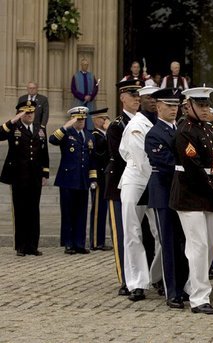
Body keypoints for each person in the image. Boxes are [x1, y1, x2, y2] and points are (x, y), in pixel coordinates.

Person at [170, 87, 213, 315]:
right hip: (189, 193)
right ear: (187, 107)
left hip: (206, 193)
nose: (206, 109)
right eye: (201, 105)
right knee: (198, 246)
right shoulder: (185, 131)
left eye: (207, 105)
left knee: (208, 243)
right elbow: (193, 169)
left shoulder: (207, 129)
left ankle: (192, 286)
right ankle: (199, 298)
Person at [145, 88, 189, 309]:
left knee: (182, 243)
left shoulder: (181, 129)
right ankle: (172, 291)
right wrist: (191, 171)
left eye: (176, 106)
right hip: (164, 194)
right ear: (158, 106)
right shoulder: (154, 133)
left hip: (181, 194)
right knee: (169, 244)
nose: (174, 109)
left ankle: (182, 287)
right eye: (169, 105)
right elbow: (166, 165)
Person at [119, 85, 162, 302]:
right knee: (133, 232)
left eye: (157, 98)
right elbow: (141, 159)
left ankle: (156, 275)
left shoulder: (163, 123)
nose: (153, 101)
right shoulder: (136, 124)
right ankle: (136, 282)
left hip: (156, 181)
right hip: (136, 180)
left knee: (163, 233)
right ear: (140, 100)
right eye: (148, 98)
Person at [105, 79, 143, 296]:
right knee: (123, 234)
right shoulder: (117, 125)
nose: (136, 98)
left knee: (141, 232)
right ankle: (125, 278)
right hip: (121, 184)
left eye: (138, 95)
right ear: (122, 98)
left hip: (139, 185)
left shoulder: (144, 121)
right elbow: (119, 158)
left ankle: (140, 274)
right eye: (132, 95)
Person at [0, 100, 49, 256]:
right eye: (26, 112)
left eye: (31, 112)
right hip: (18, 176)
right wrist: (13, 120)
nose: (29, 115)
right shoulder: (14, 127)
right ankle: (20, 246)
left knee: (34, 211)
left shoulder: (40, 129)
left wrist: (45, 173)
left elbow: (44, 153)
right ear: (20, 114)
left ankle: (32, 246)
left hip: (34, 177)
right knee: (20, 210)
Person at [49, 106, 97, 255]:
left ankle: (79, 243)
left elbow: (92, 159)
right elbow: (52, 140)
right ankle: (68, 243)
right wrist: (65, 126)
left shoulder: (89, 136)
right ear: (72, 119)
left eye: (83, 119)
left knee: (81, 213)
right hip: (68, 179)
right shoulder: (66, 133)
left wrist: (93, 178)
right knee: (68, 212)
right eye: (78, 119)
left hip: (83, 179)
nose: (81, 121)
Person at [88, 108, 112, 251]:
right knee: (98, 211)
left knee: (103, 210)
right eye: (102, 118)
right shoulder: (95, 135)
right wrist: (93, 178)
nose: (104, 121)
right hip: (99, 177)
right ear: (95, 120)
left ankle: (101, 240)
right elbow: (98, 154)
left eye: (105, 118)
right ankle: (96, 241)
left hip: (107, 177)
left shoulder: (104, 134)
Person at [71, 58, 99, 130]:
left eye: (87, 65)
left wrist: (90, 96)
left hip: (90, 103)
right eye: (84, 64)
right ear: (81, 65)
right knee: (79, 121)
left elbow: (95, 88)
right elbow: (73, 89)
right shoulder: (76, 76)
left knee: (89, 123)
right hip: (79, 102)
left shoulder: (92, 76)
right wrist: (83, 97)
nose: (85, 66)